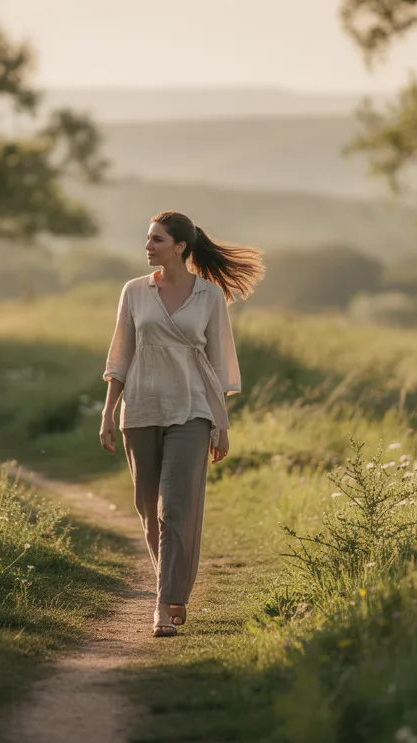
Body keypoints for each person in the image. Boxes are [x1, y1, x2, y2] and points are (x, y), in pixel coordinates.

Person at [99, 210, 265, 638]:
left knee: (177, 508)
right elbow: (120, 357)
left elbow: (219, 365)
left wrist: (220, 423)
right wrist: (106, 413)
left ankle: (165, 602)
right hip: (140, 409)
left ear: (180, 247)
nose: (148, 246)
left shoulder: (209, 297)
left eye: (156, 239)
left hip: (192, 410)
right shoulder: (134, 292)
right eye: (147, 238)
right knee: (147, 509)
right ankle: (170, 586)